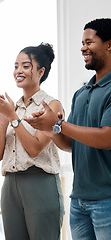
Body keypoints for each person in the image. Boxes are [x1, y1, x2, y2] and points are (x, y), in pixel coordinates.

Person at [24, 18, 111, 240]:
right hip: (79, 201)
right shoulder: (81, 94)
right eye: (82, 42)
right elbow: (72, 145)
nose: (83, 47)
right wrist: (52, 129)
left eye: (89, 42)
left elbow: (107, 138)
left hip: (107, 200)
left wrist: (61, 124)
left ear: (109, 44)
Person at [0, 43, 64, 240]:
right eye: (15, 66)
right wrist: (4, 122)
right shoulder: (14, 108)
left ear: (40, 71)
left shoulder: (51, 105)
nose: (18, 71)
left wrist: (13, 117)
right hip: (10, 186)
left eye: (25, 66)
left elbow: (34, 149)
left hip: (40, 183)